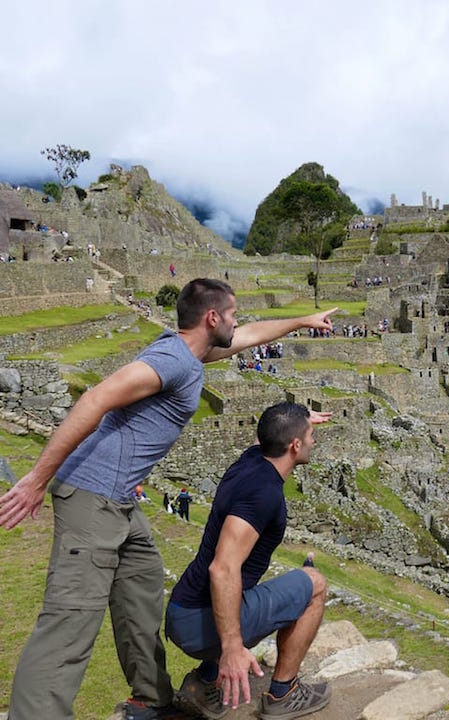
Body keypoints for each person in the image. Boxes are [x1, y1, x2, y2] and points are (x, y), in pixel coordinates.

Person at [0, 278, 337, 720]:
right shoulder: (171, 359)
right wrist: (36, 480)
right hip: (91, 495)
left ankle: (152, 700)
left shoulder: (193, 355)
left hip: (120, 500)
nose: (238, 323)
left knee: (140, 596)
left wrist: (302, 321)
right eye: (232, 314)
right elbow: (98, 397)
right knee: (70, 624)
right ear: (212, 318)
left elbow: (251, 336)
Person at [165, 402, 331, 719]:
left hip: (182, 609)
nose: (313, 440)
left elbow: (266, 433)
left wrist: (298, 417)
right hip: (197, 624)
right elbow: (223, 568)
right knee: (315, 585)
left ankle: (204, 682)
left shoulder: (250, 460)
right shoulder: (263, 493)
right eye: (310, 434)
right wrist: (231, 649)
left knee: (246, 592)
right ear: (295, 445)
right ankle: (284, 694)